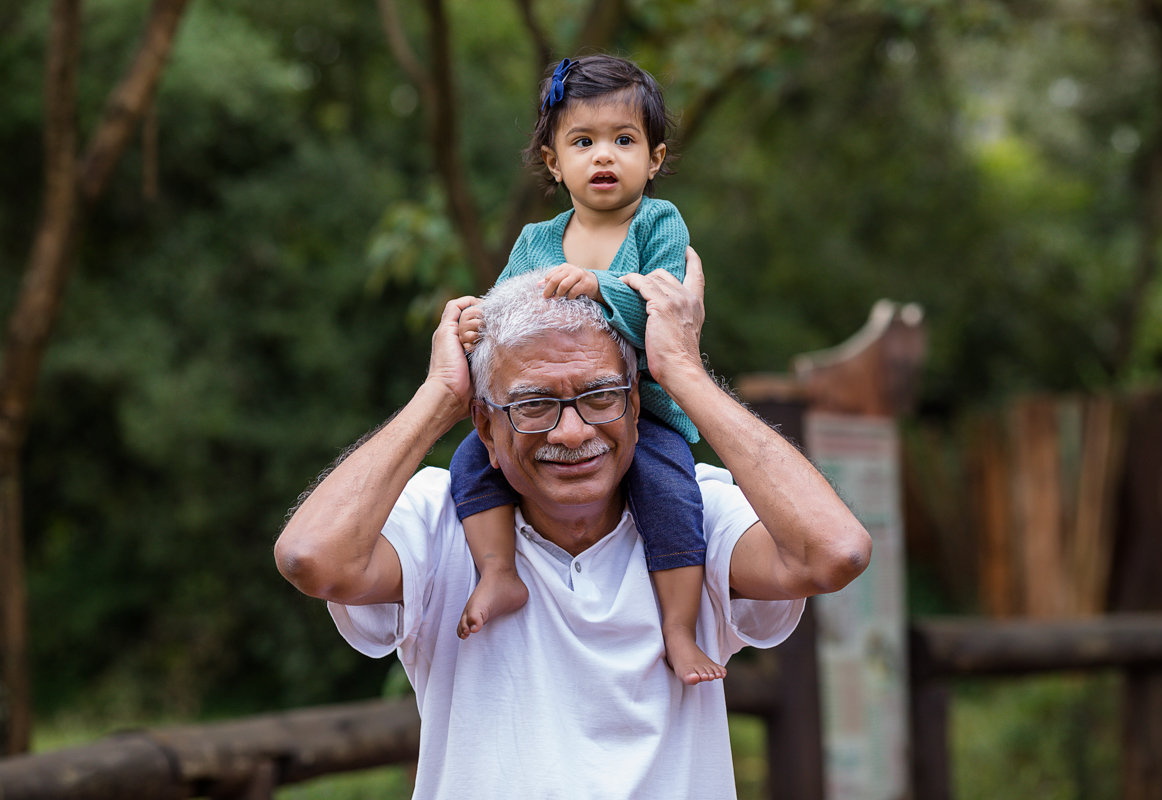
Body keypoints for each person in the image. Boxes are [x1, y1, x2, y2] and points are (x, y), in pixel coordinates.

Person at [274, 253, 873, 799]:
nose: (573, 432)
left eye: (602, 396)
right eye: (534, 405)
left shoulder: (695, 511)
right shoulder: (438, 519)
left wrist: (683, 372)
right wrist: (438, 396)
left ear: (637, 404)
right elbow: (313, 557)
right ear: (484, 426)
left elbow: (833, 552)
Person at [452, 54, 719, 684]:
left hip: (639, 409)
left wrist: (600, 287)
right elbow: (508, 319)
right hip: (547, 409)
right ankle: (498, 572)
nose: (604, 156)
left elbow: (667, 311)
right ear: (554, 162)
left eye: (624, 141)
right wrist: (476, 325)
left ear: (654, 158)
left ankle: (678, 628)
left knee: (672, 491)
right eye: (583, 142)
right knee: (469, 459)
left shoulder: (658, 224)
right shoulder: (536, 241)